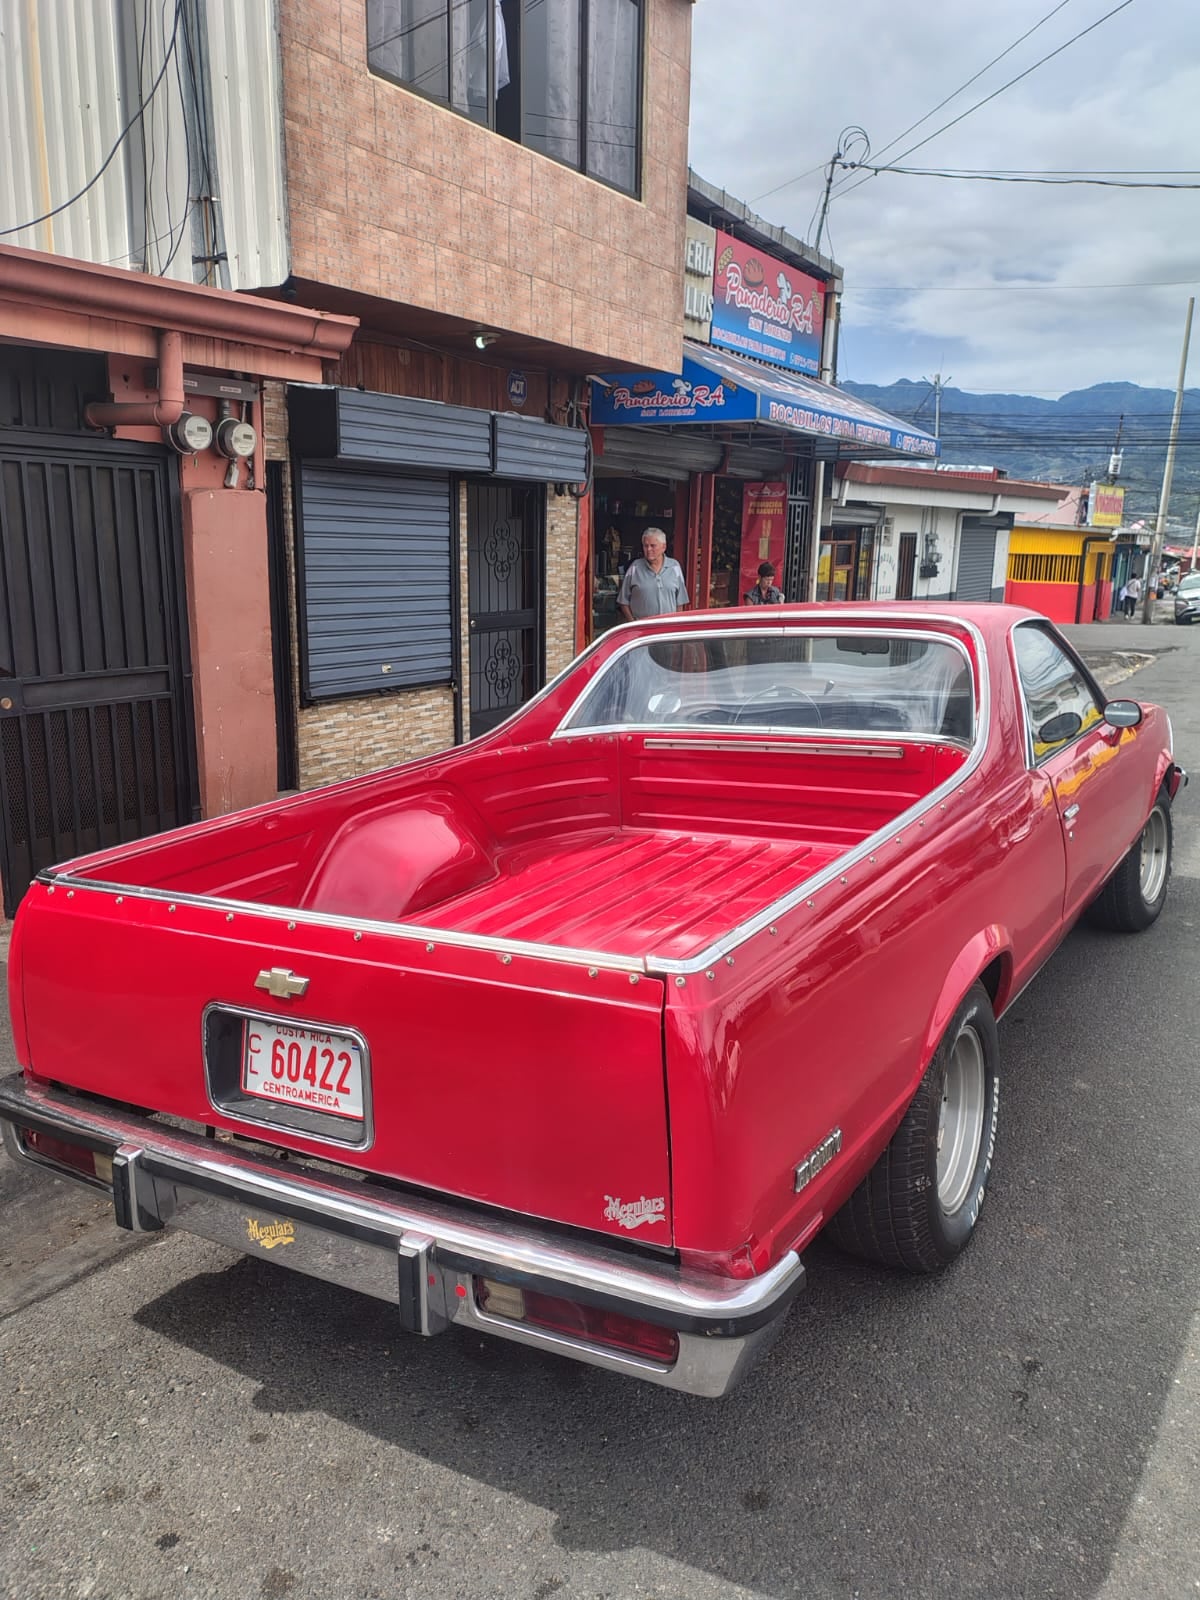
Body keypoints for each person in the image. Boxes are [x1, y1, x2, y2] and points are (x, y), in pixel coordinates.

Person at [617, 529, 689, 621]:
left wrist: (676, 625)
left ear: (664, 547)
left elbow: (680, 601)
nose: (649, 549)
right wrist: (633, 624)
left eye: (653, 546)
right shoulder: (635, 567)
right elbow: (623, 601)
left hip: (668, 627)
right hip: (643, 629)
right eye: (645, 546)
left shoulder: (674, 566)